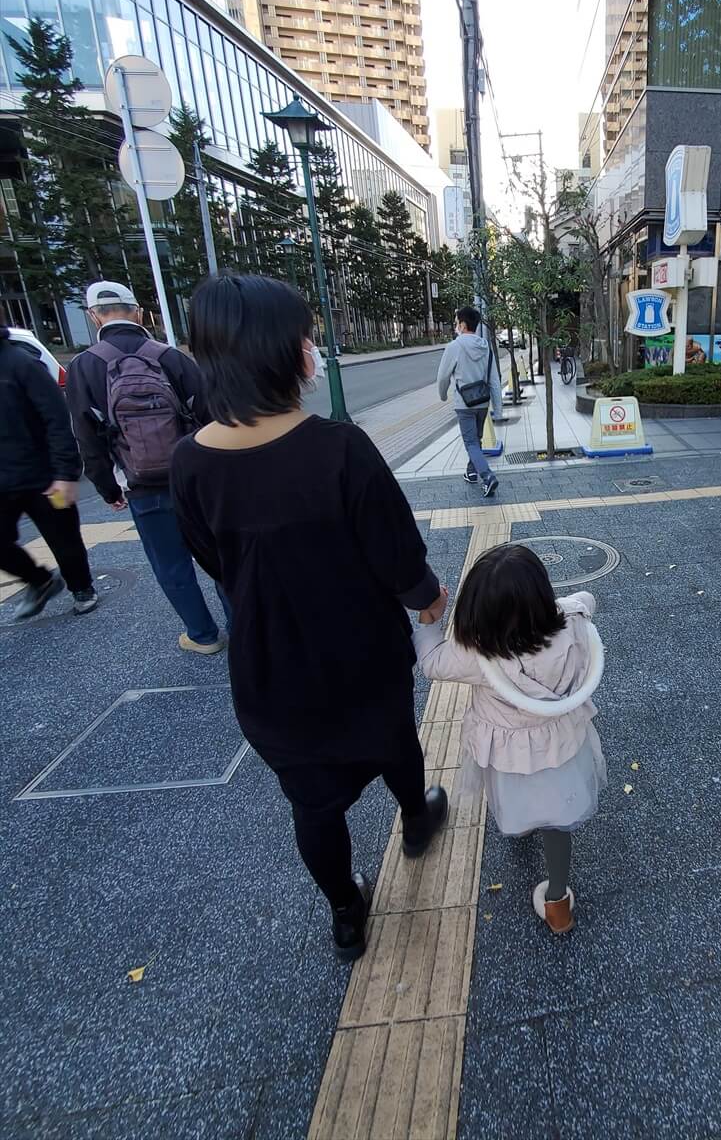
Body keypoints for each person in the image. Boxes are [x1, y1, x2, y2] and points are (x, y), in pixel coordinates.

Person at [171, 273, 449, 961]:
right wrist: (431, 602)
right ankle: (416, 820)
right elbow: (398, 558)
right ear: (280, 353)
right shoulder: (339, 448)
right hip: (361, 652)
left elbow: (214, 562)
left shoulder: (188, 463)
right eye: (305, 337)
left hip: (270, 671)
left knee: (312, 805)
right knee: (394, 740)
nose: (312, 349)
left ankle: (347, 913)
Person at [414, 545, 606, 935]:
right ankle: (558, 904)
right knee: (558, 821)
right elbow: (587, 600)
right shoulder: (573, 624)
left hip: (510, 754)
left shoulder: (479, 653)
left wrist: (429, 619)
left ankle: (521, 827)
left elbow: (430, 662)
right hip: (561, 745)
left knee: (516, 800)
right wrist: (567, 603)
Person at [66, 281, 226, 654]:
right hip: (195, 479)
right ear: (137, 312)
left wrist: (108, 488)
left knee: (171, 564)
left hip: (141, 484)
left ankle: (203, 636)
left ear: (94, 316)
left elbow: (86, 437)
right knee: (221, 556)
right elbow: (209, 416)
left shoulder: (84, 366)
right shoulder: (171, 357)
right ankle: (243, 625)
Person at [0, 325, 97, 619]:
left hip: (44, 474)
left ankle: (82, 587)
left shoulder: (19, 363)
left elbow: (56, 418)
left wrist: (65, 472)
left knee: (64, 539)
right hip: (3, 481)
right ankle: (39, 580)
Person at [437, 305, 502, 497]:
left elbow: (442, 377)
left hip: (464, 404)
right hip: (482, 402)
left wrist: (442, 395)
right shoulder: (486, 347)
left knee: (471, 443)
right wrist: (498, 409)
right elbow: (495, 380)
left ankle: (487, 476)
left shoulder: (454, 347)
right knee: (476, 440)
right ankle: (471, 471)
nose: (455, 326)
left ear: (463, 325)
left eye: (456, 323)